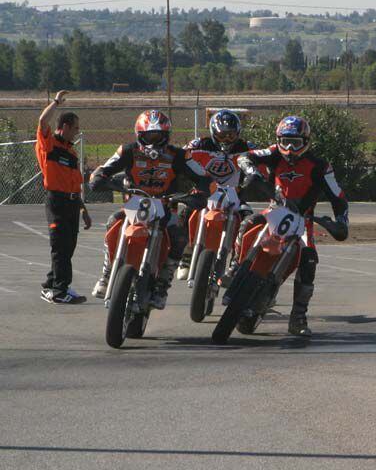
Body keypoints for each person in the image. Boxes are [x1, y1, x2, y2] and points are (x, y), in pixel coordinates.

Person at [232, 116, 349, 337]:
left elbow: (338, 197)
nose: (289, 148)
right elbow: (245, 157)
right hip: (274, 210)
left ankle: (298, 316)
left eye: (295, 142)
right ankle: (234, 266)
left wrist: (342, 221)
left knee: (310, 259)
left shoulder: (321, 166)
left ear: (306, 141)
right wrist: (251, 172)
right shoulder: (274, 154)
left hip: (303, 220)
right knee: (248, 222)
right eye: (284, 141)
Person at [89, 110, 210, 309]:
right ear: (139, 135)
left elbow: (203, 176)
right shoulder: (127, 151)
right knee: (113, 221)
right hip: (134, 207)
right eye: (148, 136)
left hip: (165, 207)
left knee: (180, 235)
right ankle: (107, 272)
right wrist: (100, 179)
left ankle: (163, 284)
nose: (153, 142)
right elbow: (104, 169)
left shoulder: (179, 155)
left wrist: (201, 193)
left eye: (158, 136)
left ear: (166, 136)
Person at [175, 109, 258, 280]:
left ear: (238, 134)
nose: (227, 140)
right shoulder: (199, 145)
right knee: (183, 212)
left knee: (249, 220)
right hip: (203, 193)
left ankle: (236, 262)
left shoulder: (247, 148)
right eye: (222, 135)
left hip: (235, 195)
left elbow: (263, 166)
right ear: (213, 133)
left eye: (231, 135)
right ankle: (186, 254)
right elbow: (179, 160)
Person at [35, 90, 91, 304]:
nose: (77, 132)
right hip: (56, 202)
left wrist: (83, 210)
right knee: (60, 245)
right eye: (75, 128)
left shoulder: (71, 152)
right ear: (65, 127)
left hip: (71, 202)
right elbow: (42, 120)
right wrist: (56, 102)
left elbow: (75, 184)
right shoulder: (49, 145)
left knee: (69, 246)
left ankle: (51, 284)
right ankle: (60, 290)